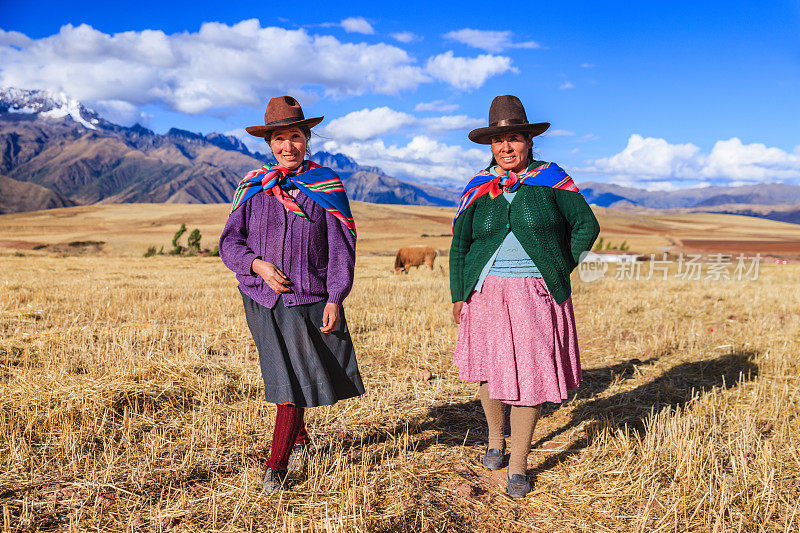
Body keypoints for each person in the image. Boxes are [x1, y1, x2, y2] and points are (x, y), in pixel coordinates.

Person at [449, 95, 600, 499]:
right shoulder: (479, 187)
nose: (506, 148)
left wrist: (557, 265)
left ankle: (518, 465)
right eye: (498, 142)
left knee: (529, 379)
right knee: (488, 369)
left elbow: (586, 225)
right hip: (485, 293)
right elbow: (460, 246)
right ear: (490, 146)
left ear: (529, 141)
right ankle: (495, 442)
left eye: (514, 138)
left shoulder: (551, 180)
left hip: (535, 292)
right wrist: (459, 293)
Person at [219, 95, 365, 494]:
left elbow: (341, 249)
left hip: (309, 300)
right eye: (280, 139)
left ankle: (276, 467)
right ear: (269, 143)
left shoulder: (326, 186)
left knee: (290, 383)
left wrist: (336, 295)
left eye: (295, 136)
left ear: (308, 138)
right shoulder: (253, 188)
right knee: (287, 378)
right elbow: (229, 244)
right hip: (262, 300)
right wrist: (258, 266)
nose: (288, 146)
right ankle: (298, 440)